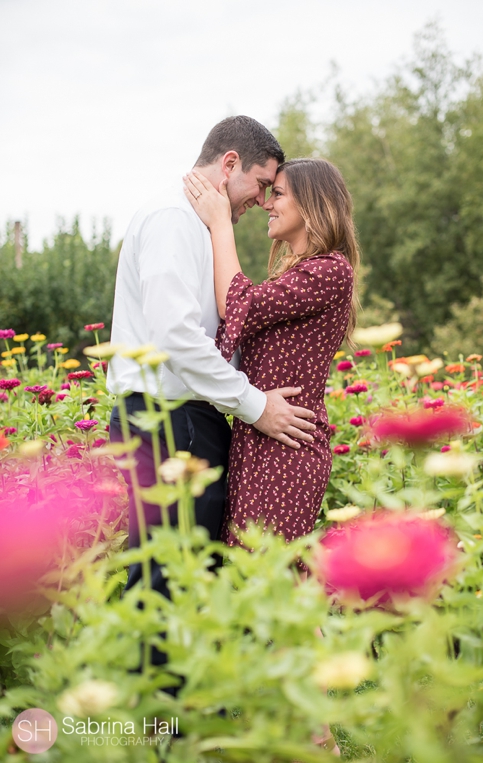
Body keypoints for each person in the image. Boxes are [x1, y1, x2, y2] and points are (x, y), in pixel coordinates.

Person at [108, 115, 318, 604]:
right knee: (167, 581)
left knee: (185, 577)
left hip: (183, 420)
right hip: (166, 420)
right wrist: (256, 405)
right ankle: (150, 682)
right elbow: (177, 337)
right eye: (262, 184)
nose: (262, 201)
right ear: (229, 164)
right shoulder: (173, 220)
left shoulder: (198, 226)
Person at [182, 157, 357, 548]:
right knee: (251, 576)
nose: (266, 203)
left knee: (267, 578)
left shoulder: (330, 270)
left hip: (288, 451)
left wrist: (221, 222)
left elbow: (238, 304)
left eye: (277, 194)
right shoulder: (298, 271)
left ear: (312, 204)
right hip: (260, 440)